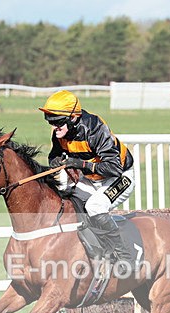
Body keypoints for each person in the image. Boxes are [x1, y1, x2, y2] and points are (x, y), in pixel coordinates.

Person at [40, 90, 136, 267]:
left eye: (58, 122)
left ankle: (125, 255)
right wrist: (56, 162)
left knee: (94, 206)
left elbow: (113, 168)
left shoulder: (95, 129)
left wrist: (81, 164)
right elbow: (54, 154)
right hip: (92, 179)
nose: (54, 127)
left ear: (73, 118)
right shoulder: (60, 133)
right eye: (50, 121)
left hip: (120, 177)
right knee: (70, 204)